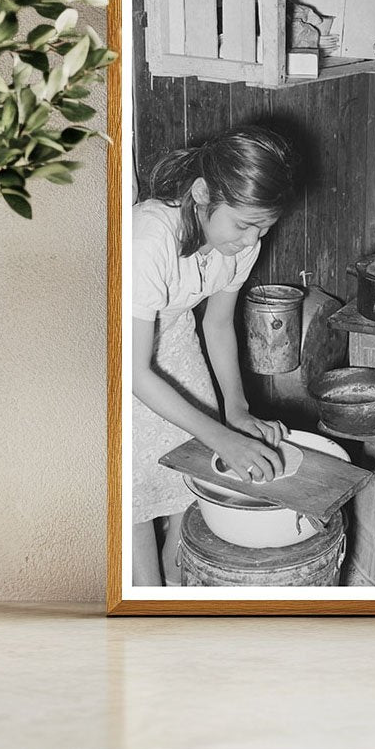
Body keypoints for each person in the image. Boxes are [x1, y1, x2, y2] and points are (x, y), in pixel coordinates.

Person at [131, 125, 300, 586]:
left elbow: (218, 323)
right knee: (135, 500)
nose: (251, 240)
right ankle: (144, 600)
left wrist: (237, 412)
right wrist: (222, 438)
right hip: (121, 353)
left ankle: (179, 592)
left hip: (178, 338)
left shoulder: (240, 243)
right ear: (202, 194)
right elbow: (134, 372)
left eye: (264, 227)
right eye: (244, 224)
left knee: (190, 490)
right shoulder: (150, 238)